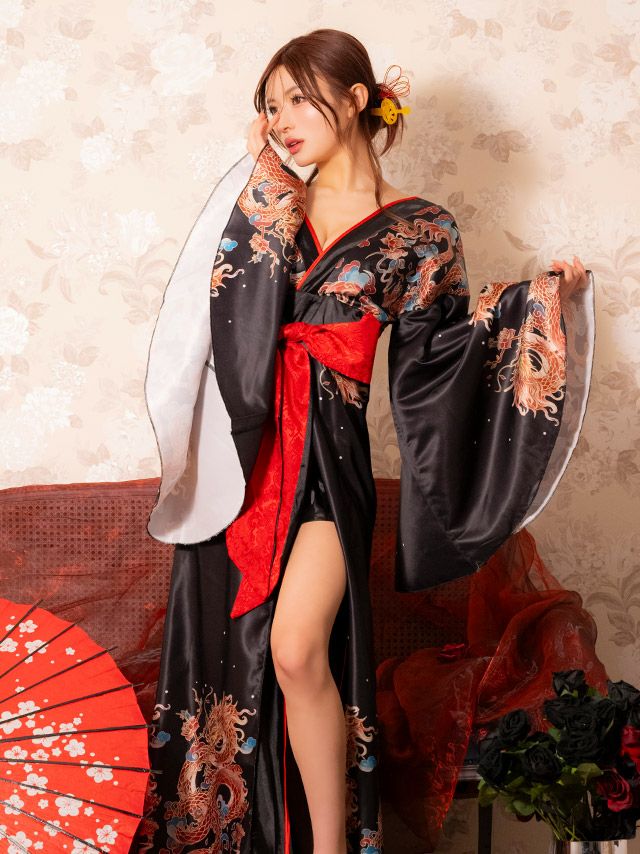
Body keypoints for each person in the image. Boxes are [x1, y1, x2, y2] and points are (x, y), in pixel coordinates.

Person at [134, 28, 594, 854]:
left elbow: (442, 359)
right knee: (237, 659)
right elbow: (217, 321)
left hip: (327, 462)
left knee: (296, 648)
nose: (280, 120)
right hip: (240, 461)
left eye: (296, 99)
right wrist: (262, 187)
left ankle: (331, 848)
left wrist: (540, 302)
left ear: (355, 99)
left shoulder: (421, 230)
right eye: (269, 106)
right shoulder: (268, 204)